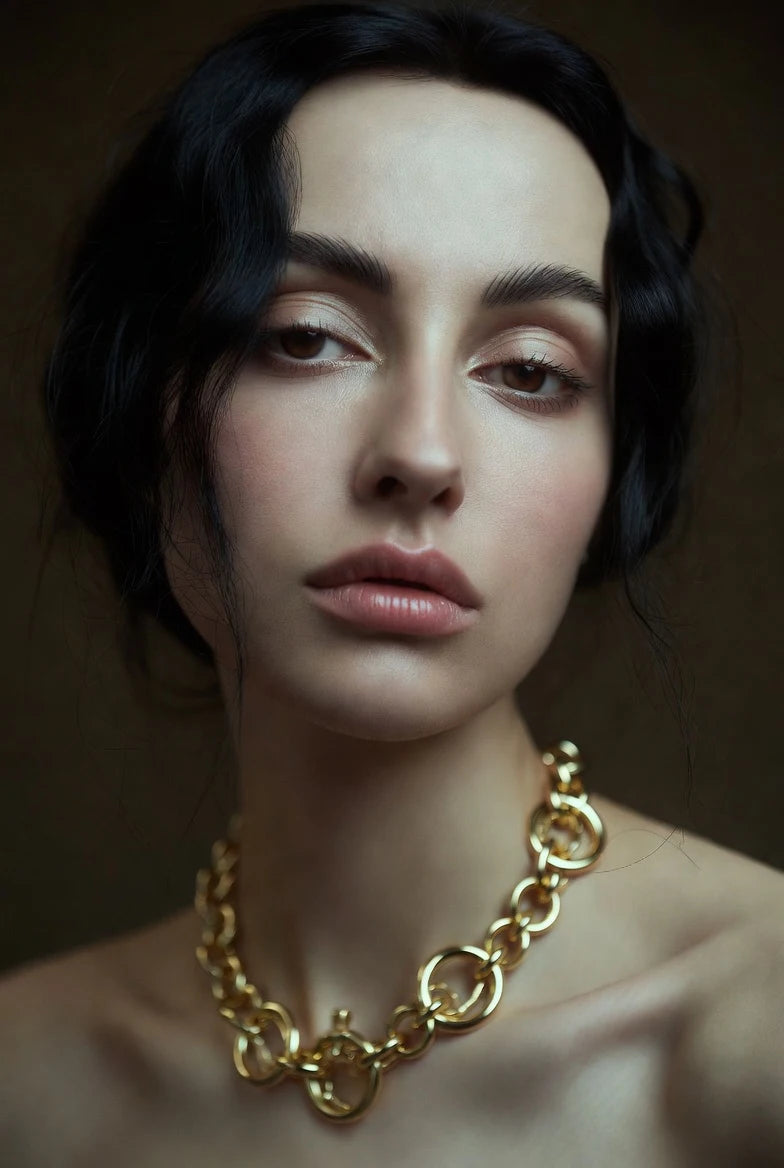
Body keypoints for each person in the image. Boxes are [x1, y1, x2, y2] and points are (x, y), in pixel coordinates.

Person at [2, 0, 782, 1162]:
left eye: (528, 369)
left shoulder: (750, 1044)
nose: (419, 453)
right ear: (143, 409)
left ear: (614, 468)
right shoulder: (28, 1080)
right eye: (306, 336)